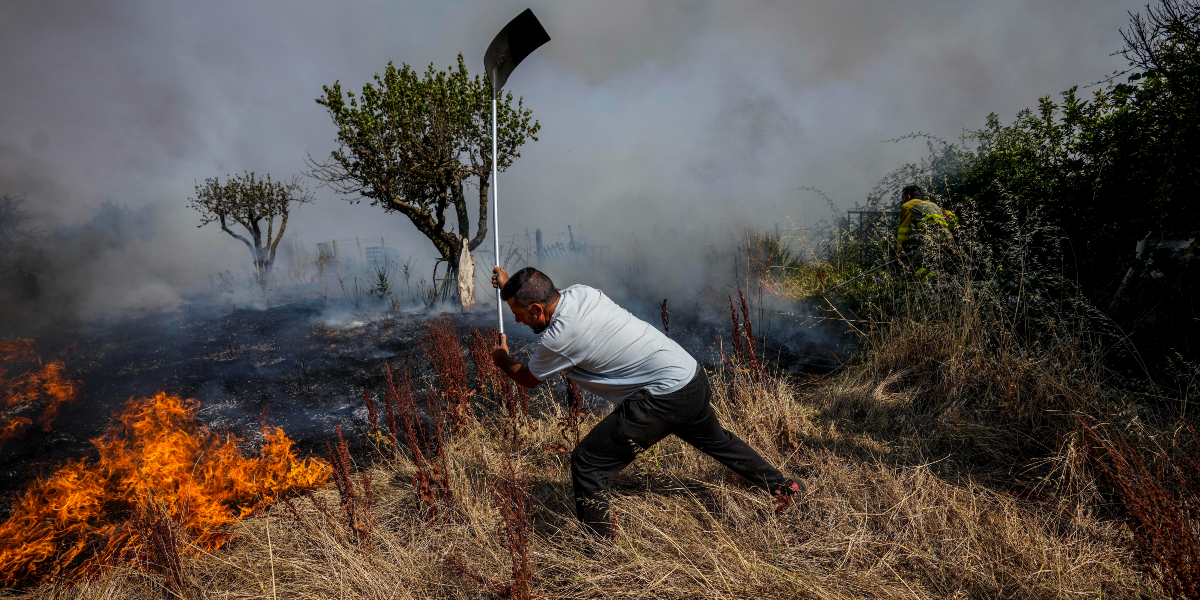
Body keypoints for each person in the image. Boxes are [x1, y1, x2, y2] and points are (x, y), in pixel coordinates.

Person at [490, 266, 803, 538]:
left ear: (536, 309)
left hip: (663, 397)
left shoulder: (557, 339)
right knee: (717, 441)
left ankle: (598, 555)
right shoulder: (582, 293)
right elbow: (538, 291)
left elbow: (529, 379)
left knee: (588, 464)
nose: (519, 323)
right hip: (689, 375)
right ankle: (784, 486)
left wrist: (502, 359)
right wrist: (508, 288)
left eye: (519, 316)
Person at [896, 184, 956, 254]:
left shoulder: (907, 206)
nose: (903, 201)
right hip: (949, 236)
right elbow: (951, 215)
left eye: (903, 198)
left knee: (918, 263)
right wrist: (952, 232)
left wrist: (899, 252)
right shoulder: (933, 204)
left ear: (908, 196)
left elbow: (904, 231)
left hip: (933, 237)